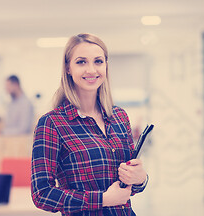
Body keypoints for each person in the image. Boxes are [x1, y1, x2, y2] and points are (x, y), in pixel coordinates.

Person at [31, 33, 148, 216]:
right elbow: (42, 194)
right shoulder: (52, 124)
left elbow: (126, 189)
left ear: (106, 66)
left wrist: (140, 179)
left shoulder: (119, 117)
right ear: (68, 68)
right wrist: (103, 199)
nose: (91, 70)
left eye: (98, 61)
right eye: (81, 62)